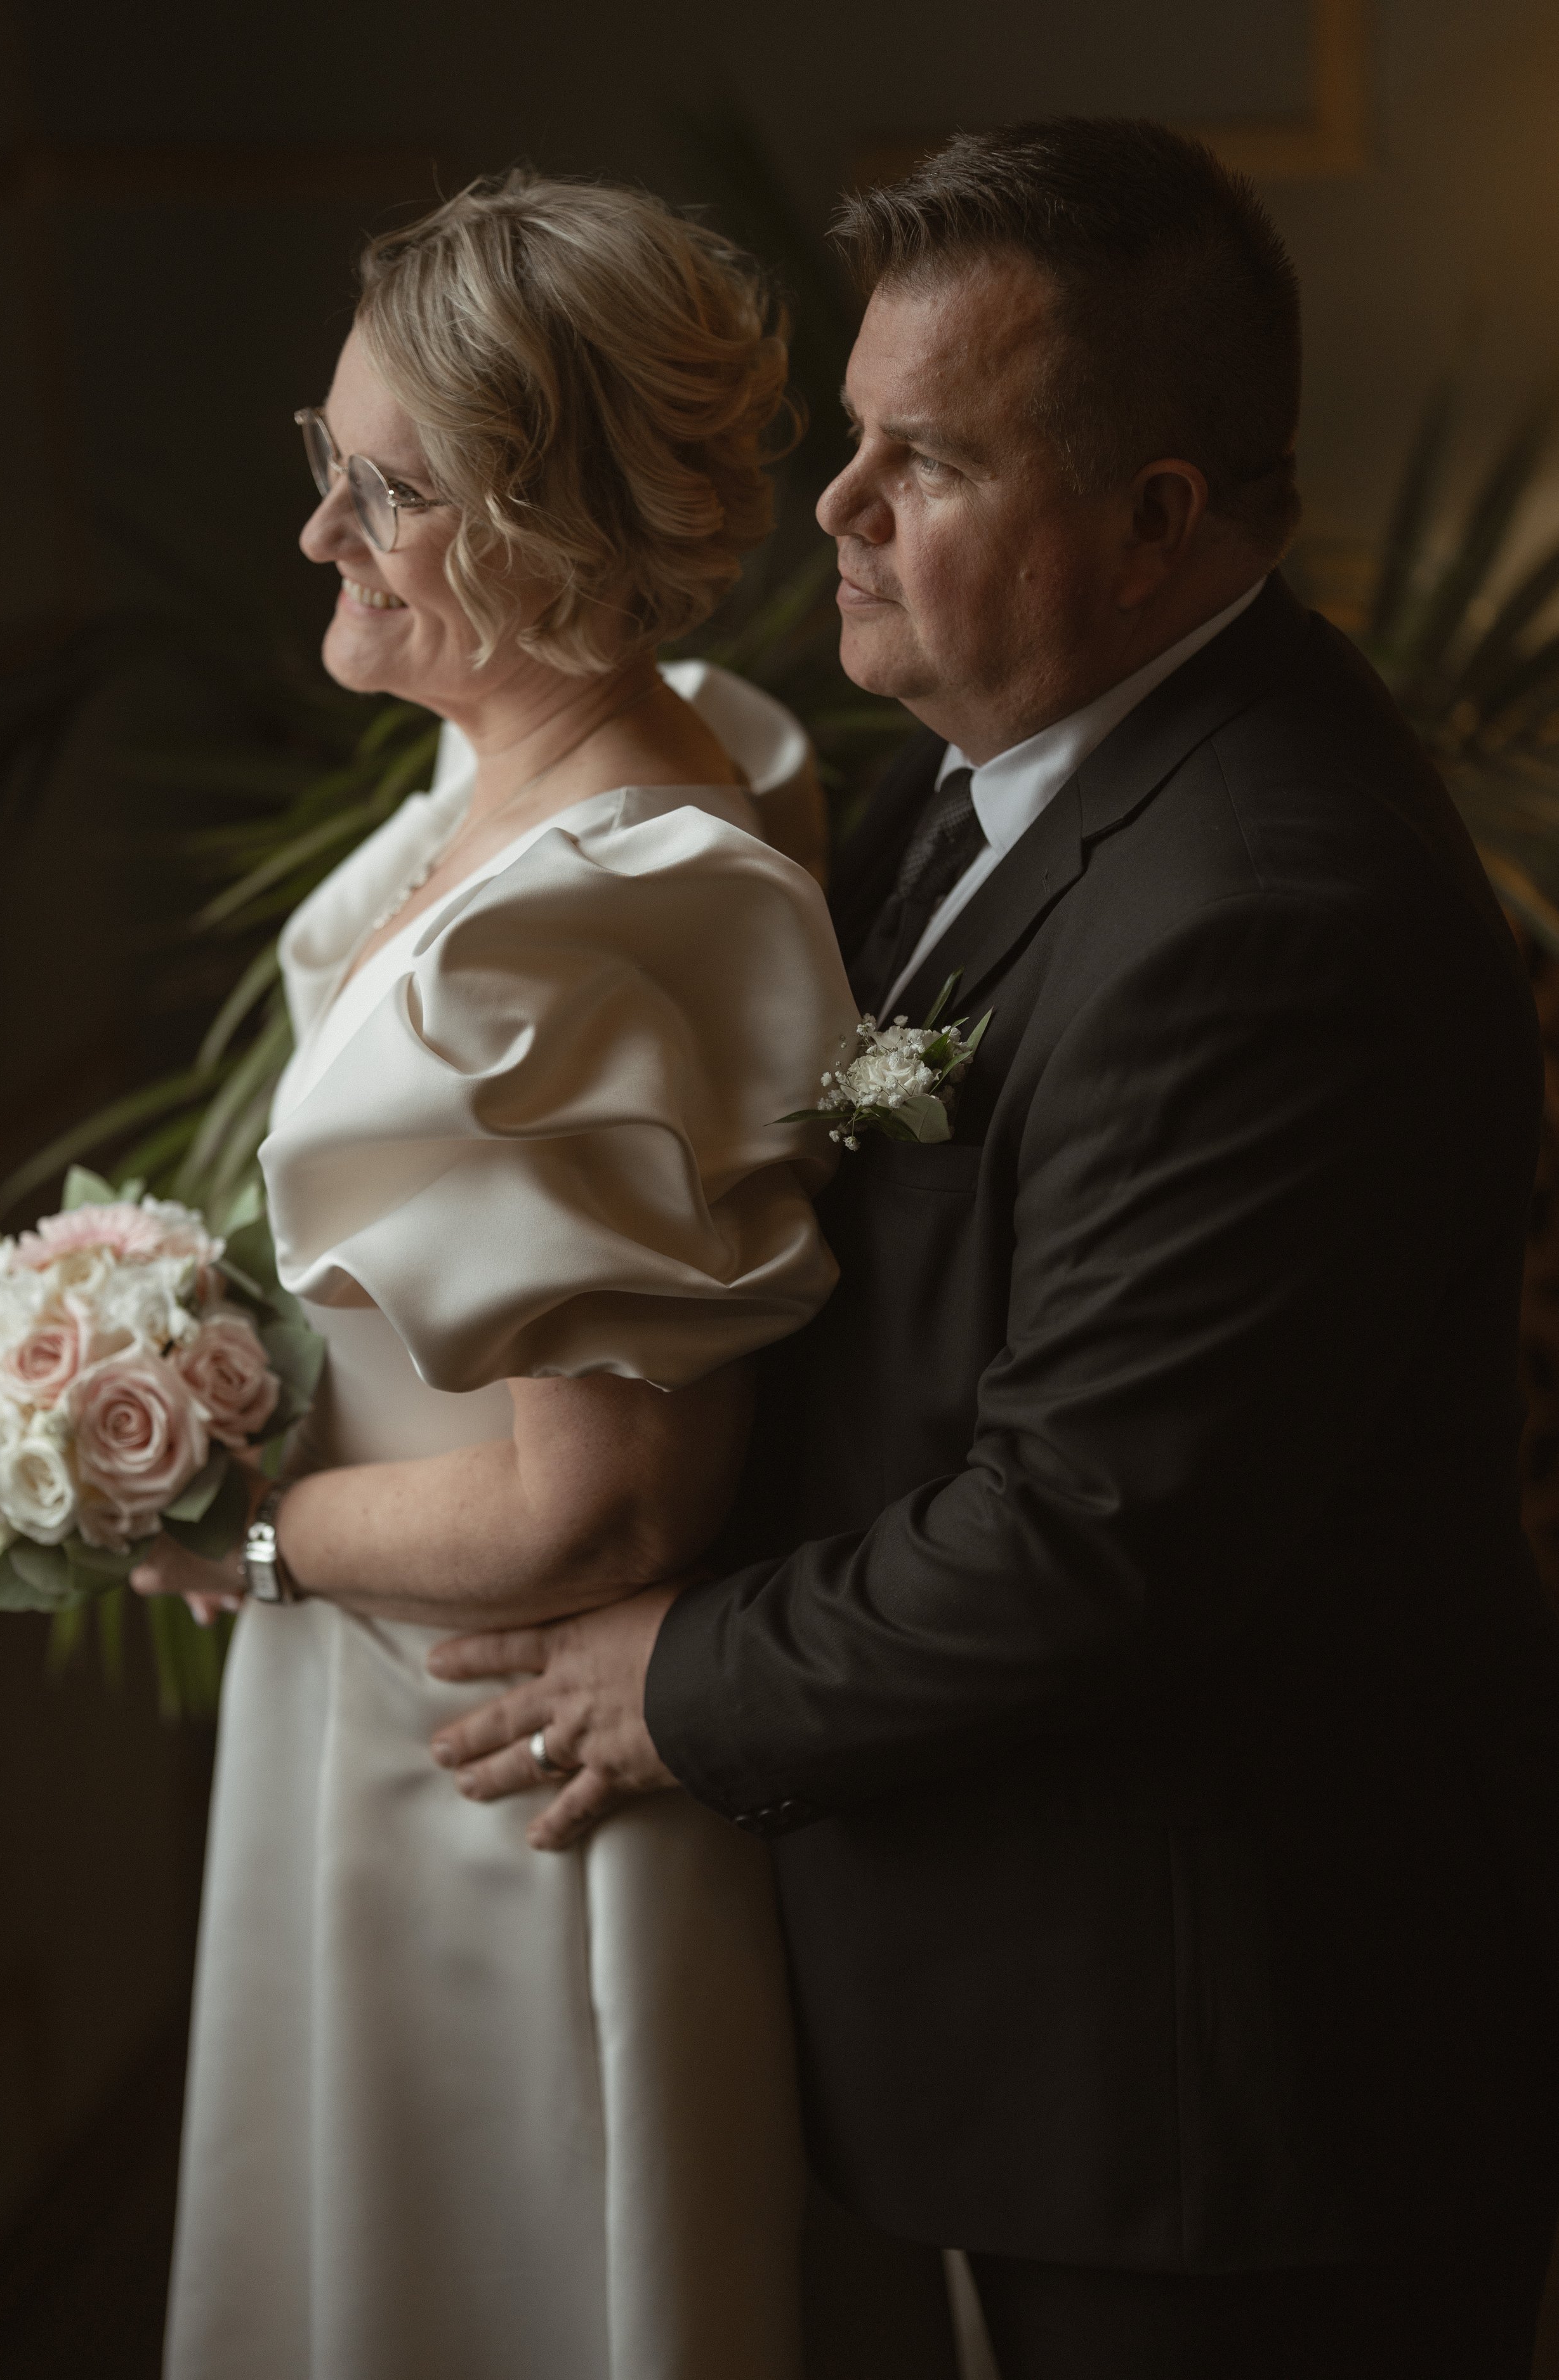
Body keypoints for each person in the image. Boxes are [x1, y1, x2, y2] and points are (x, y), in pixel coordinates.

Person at [428, 121, 1559, 2380]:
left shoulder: (1262, 917)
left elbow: (1086, 1539)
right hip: (1046, 2037)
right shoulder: (1001, 768)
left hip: (1216, 2110)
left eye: (919, 462)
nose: (832, 512)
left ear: (1153, 523)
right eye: (848, 441)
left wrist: (659, 1681)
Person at [129, 172, 947, 2380]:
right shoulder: (635, 741)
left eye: (385, 493)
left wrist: (226, 1531)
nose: (320, 534)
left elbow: (609, 1508)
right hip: (399, 1709)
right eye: (329, 460)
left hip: (487, 1774)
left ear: (557, 540)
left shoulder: (575, 933)